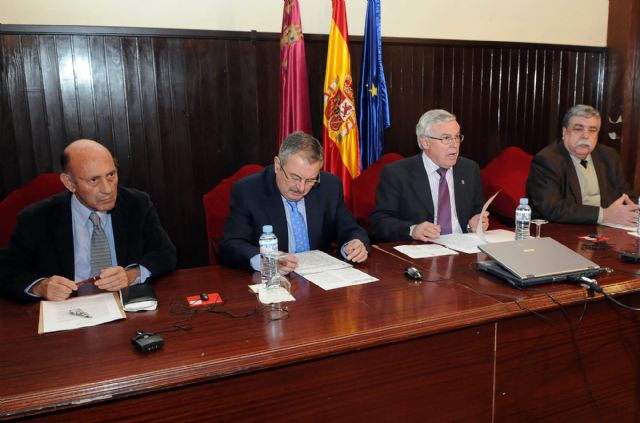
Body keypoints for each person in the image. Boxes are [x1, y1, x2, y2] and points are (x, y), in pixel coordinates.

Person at [0, 139, 176, 302]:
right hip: (68, 311)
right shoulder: (37, 218)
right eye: (94, 180)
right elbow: (7, 270)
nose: (107, 189)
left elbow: (165, 253)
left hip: (126, 305)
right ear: (69, 183)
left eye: (111, 175)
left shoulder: (137, 204)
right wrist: (41, 287)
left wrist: (131, 275)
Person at [218, 132, 370, 273]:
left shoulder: (329, 186)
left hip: (321, 278)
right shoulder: (249, 191)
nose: (301, 188)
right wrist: (265, 261)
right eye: (295, 177)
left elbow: (351, 229)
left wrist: (354, 244)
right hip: (272, 282)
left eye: (310, 180)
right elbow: (231, 245)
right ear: (278, 165)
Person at [370, 109, 488, 242]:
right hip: (422, 250)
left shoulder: (469, 169)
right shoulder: (397, 173)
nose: (454, 145)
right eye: (446, 138)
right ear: (425, 142)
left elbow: (477, 210)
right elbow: (380, 222)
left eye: (456, 137)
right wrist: (412, 230)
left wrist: (477, 221)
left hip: (464, 248)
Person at [526, 104, 638, 225]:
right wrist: (603, 214)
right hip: (564, 230)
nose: (585, 136)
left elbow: (626, 195)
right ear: (564, 132)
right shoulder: (547, 160)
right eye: (578, 129)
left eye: (592, 130)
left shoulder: (609, 156)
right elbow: (552, 208)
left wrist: (631, 210)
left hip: (609, 228)